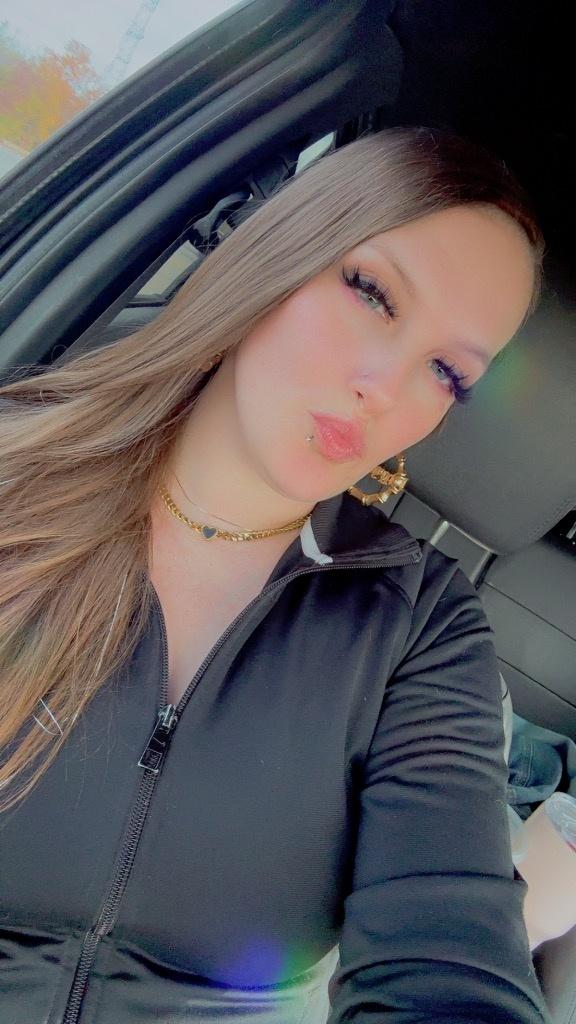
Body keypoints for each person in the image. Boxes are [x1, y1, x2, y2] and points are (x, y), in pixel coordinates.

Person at [0, 126, 553, 1023]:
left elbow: (449, 954)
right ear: (279, 252)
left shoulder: (418, 624)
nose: (385, 383)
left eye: (447, 372)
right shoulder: (16, 469)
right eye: (373, 293)